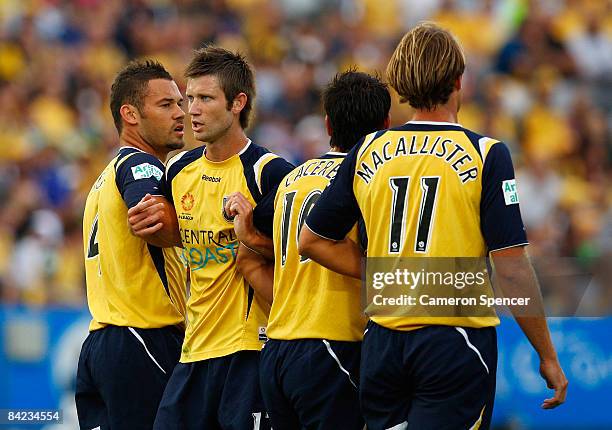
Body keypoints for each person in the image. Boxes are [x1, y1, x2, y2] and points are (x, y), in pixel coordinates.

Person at [299, 23, 568, 430]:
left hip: (382, 344)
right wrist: (547, 355)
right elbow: (511, 268)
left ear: (403, 83)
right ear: (459, 80)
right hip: (453, 340)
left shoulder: (369, 148)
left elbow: (312, 240)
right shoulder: (485, 153)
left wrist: (381, 275)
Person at [128, 46, 294, 429]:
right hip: (194, 348)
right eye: (189, 99)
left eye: (205, 98)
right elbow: (178, 238)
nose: (192, 110)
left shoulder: (269, 172)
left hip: (249, 349)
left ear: (238, 103)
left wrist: (250, 235)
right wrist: (153, 228)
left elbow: (295, 260)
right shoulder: (179, 168)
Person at [225, 70, 391, 429]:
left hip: (278, 350)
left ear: (328, 125)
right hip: (335, 346)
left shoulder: (291, 179)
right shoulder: (369, 182)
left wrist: (290, 303)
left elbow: (247, 257)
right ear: (386, 127)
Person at [76, 59, 187, 430]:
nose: (181, 113)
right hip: (144, 338)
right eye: (166, 104)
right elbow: (149, 214)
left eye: (181, 103)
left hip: (101, 342)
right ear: (131, 115)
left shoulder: (103, 178)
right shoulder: (142, 165)